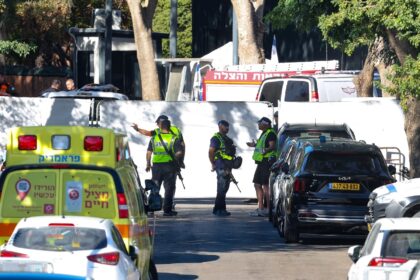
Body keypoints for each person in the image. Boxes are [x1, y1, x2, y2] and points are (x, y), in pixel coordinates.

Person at [146, 119, 183, 216]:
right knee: (169, 188)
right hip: (169, 166)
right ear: (169, 127)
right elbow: (179, 152)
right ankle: (167, 210)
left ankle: (151, 209)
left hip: (156, 166)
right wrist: (177, 160)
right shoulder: (174, 138)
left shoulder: (154, 138)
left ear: (160, 127)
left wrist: (148, 163)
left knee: (155, 187)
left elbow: (149, 152)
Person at [246, 117, 277, 217]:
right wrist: (254, 145)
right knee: (257, 184)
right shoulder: (264, 133)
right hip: (261, 162)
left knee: (265, 185)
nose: (258, 125)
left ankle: (268, 209)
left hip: (267, 162)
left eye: (260, 123)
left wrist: (266, 150)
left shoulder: (271, 133)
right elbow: (262, 146)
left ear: (265, 124)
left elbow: (272, 146)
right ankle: (261, 208)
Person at [208, 120, 236, 217]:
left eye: (228, 126)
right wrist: (213, 163)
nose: (227, 128)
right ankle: (219, 210)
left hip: (227, 166)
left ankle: (219, 209)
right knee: (221, 188)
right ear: (220, 127)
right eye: (225, 126)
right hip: (220, 166)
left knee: (224, 188)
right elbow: (211, 151)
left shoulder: (227, 139)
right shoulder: (216, 138)